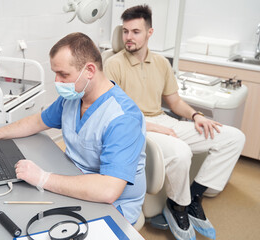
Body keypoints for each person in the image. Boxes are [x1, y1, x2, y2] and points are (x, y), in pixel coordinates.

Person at [0, 32, 147, 224]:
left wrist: (43, 178)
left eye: (63, 74)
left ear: (89, 70)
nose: (57, 81)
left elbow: (108, 190)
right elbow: (37, 121)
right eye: (55, 73)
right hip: (75, 180)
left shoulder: (123, 118)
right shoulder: (73, 99)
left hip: (113, 206)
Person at [104, 5, 245, 240]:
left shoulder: (161, 63)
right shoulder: (113, 64)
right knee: (180, 152)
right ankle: (178, 206)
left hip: (161, 119)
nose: (129, 37)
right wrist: (153, 127)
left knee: (234, 137)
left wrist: (196, 116)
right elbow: (114, 113)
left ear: (150, 33)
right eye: (125, 31)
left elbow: (174, 101)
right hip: (135, 126)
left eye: (135, 32)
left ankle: (194, 197)